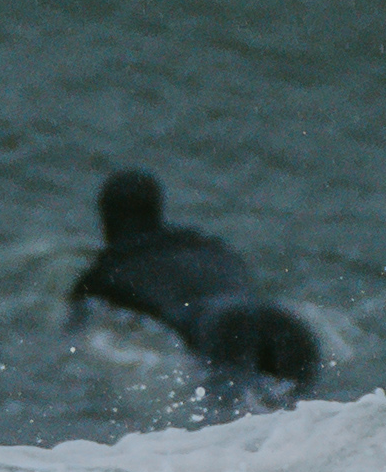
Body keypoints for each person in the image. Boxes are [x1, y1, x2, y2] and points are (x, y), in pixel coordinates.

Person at [68, 168, 322, 394]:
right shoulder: (210, 246)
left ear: (105, 216)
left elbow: (80, 329)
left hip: (219, 332)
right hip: (285, 323)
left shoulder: (107, 272)